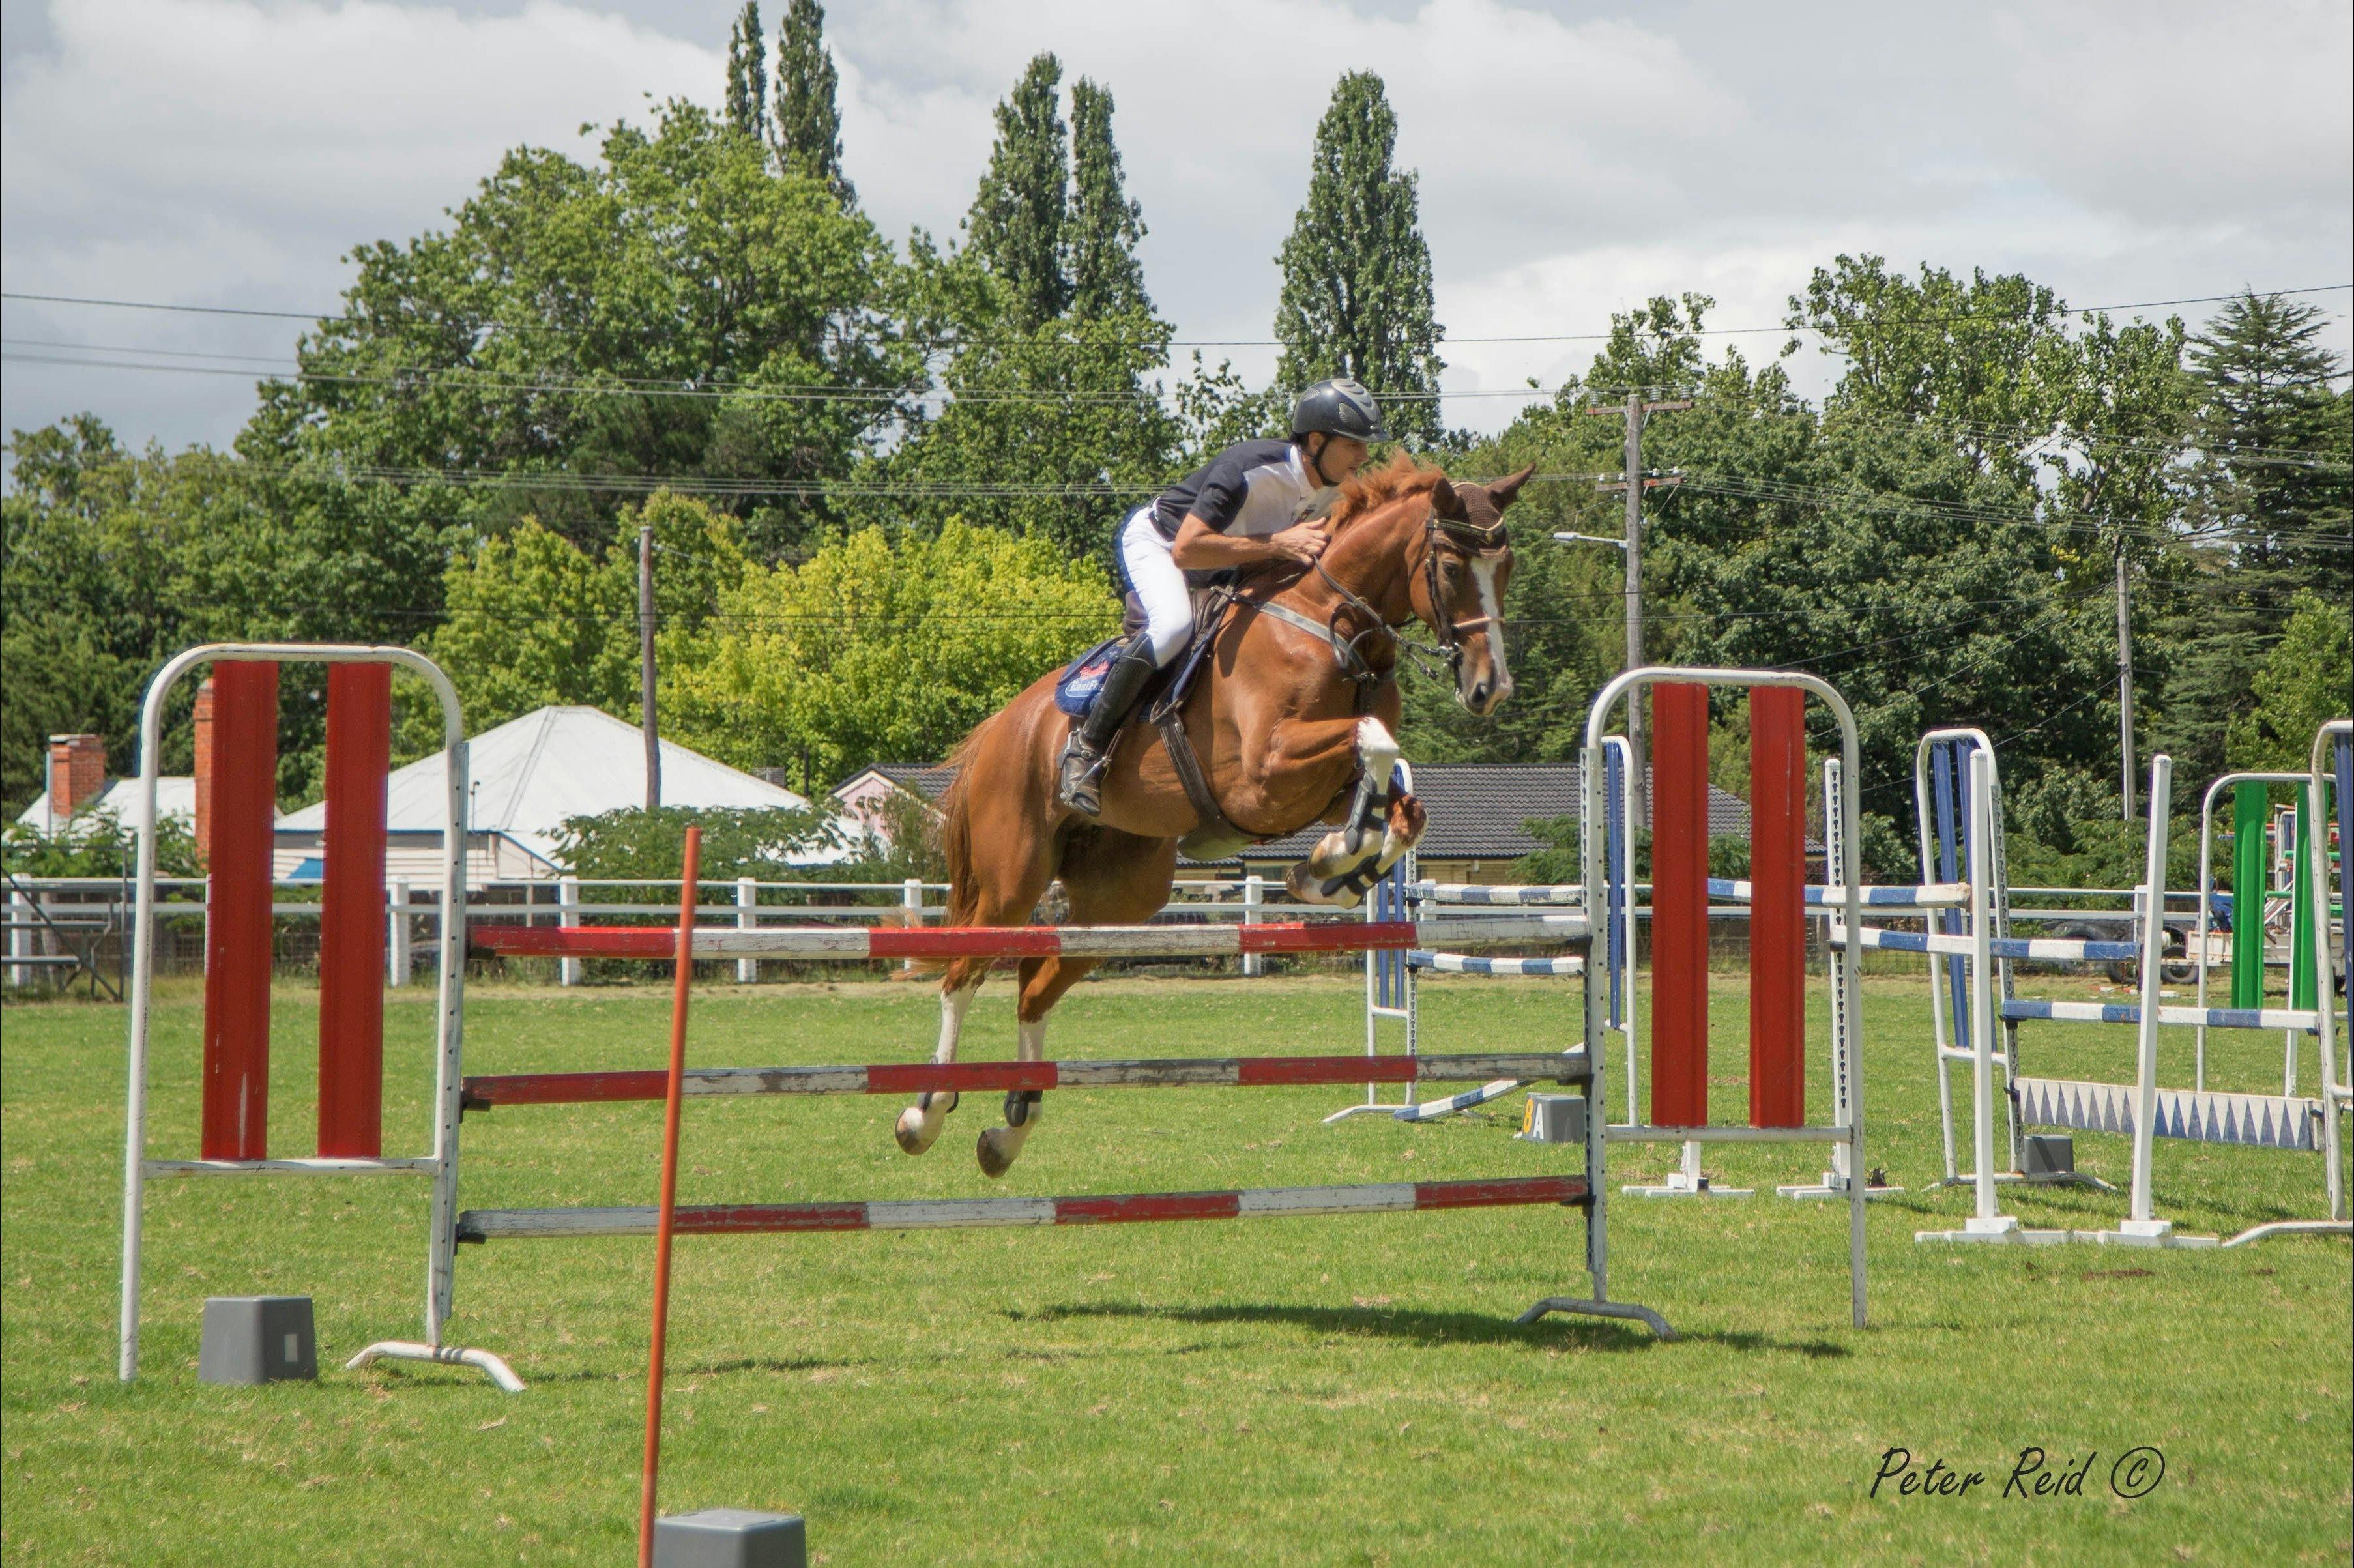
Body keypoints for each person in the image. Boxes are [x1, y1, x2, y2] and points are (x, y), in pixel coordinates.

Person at [1056, 377, 1388, 817]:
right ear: (1316, 441)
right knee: (1174, 627)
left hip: (1229, 564)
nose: (1364, 457)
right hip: (1163, 545)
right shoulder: (1250, 470)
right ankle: (1087, 748)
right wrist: (1278, 545)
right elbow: (1188, 549)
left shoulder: (1335, 487)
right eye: (1355, 445)